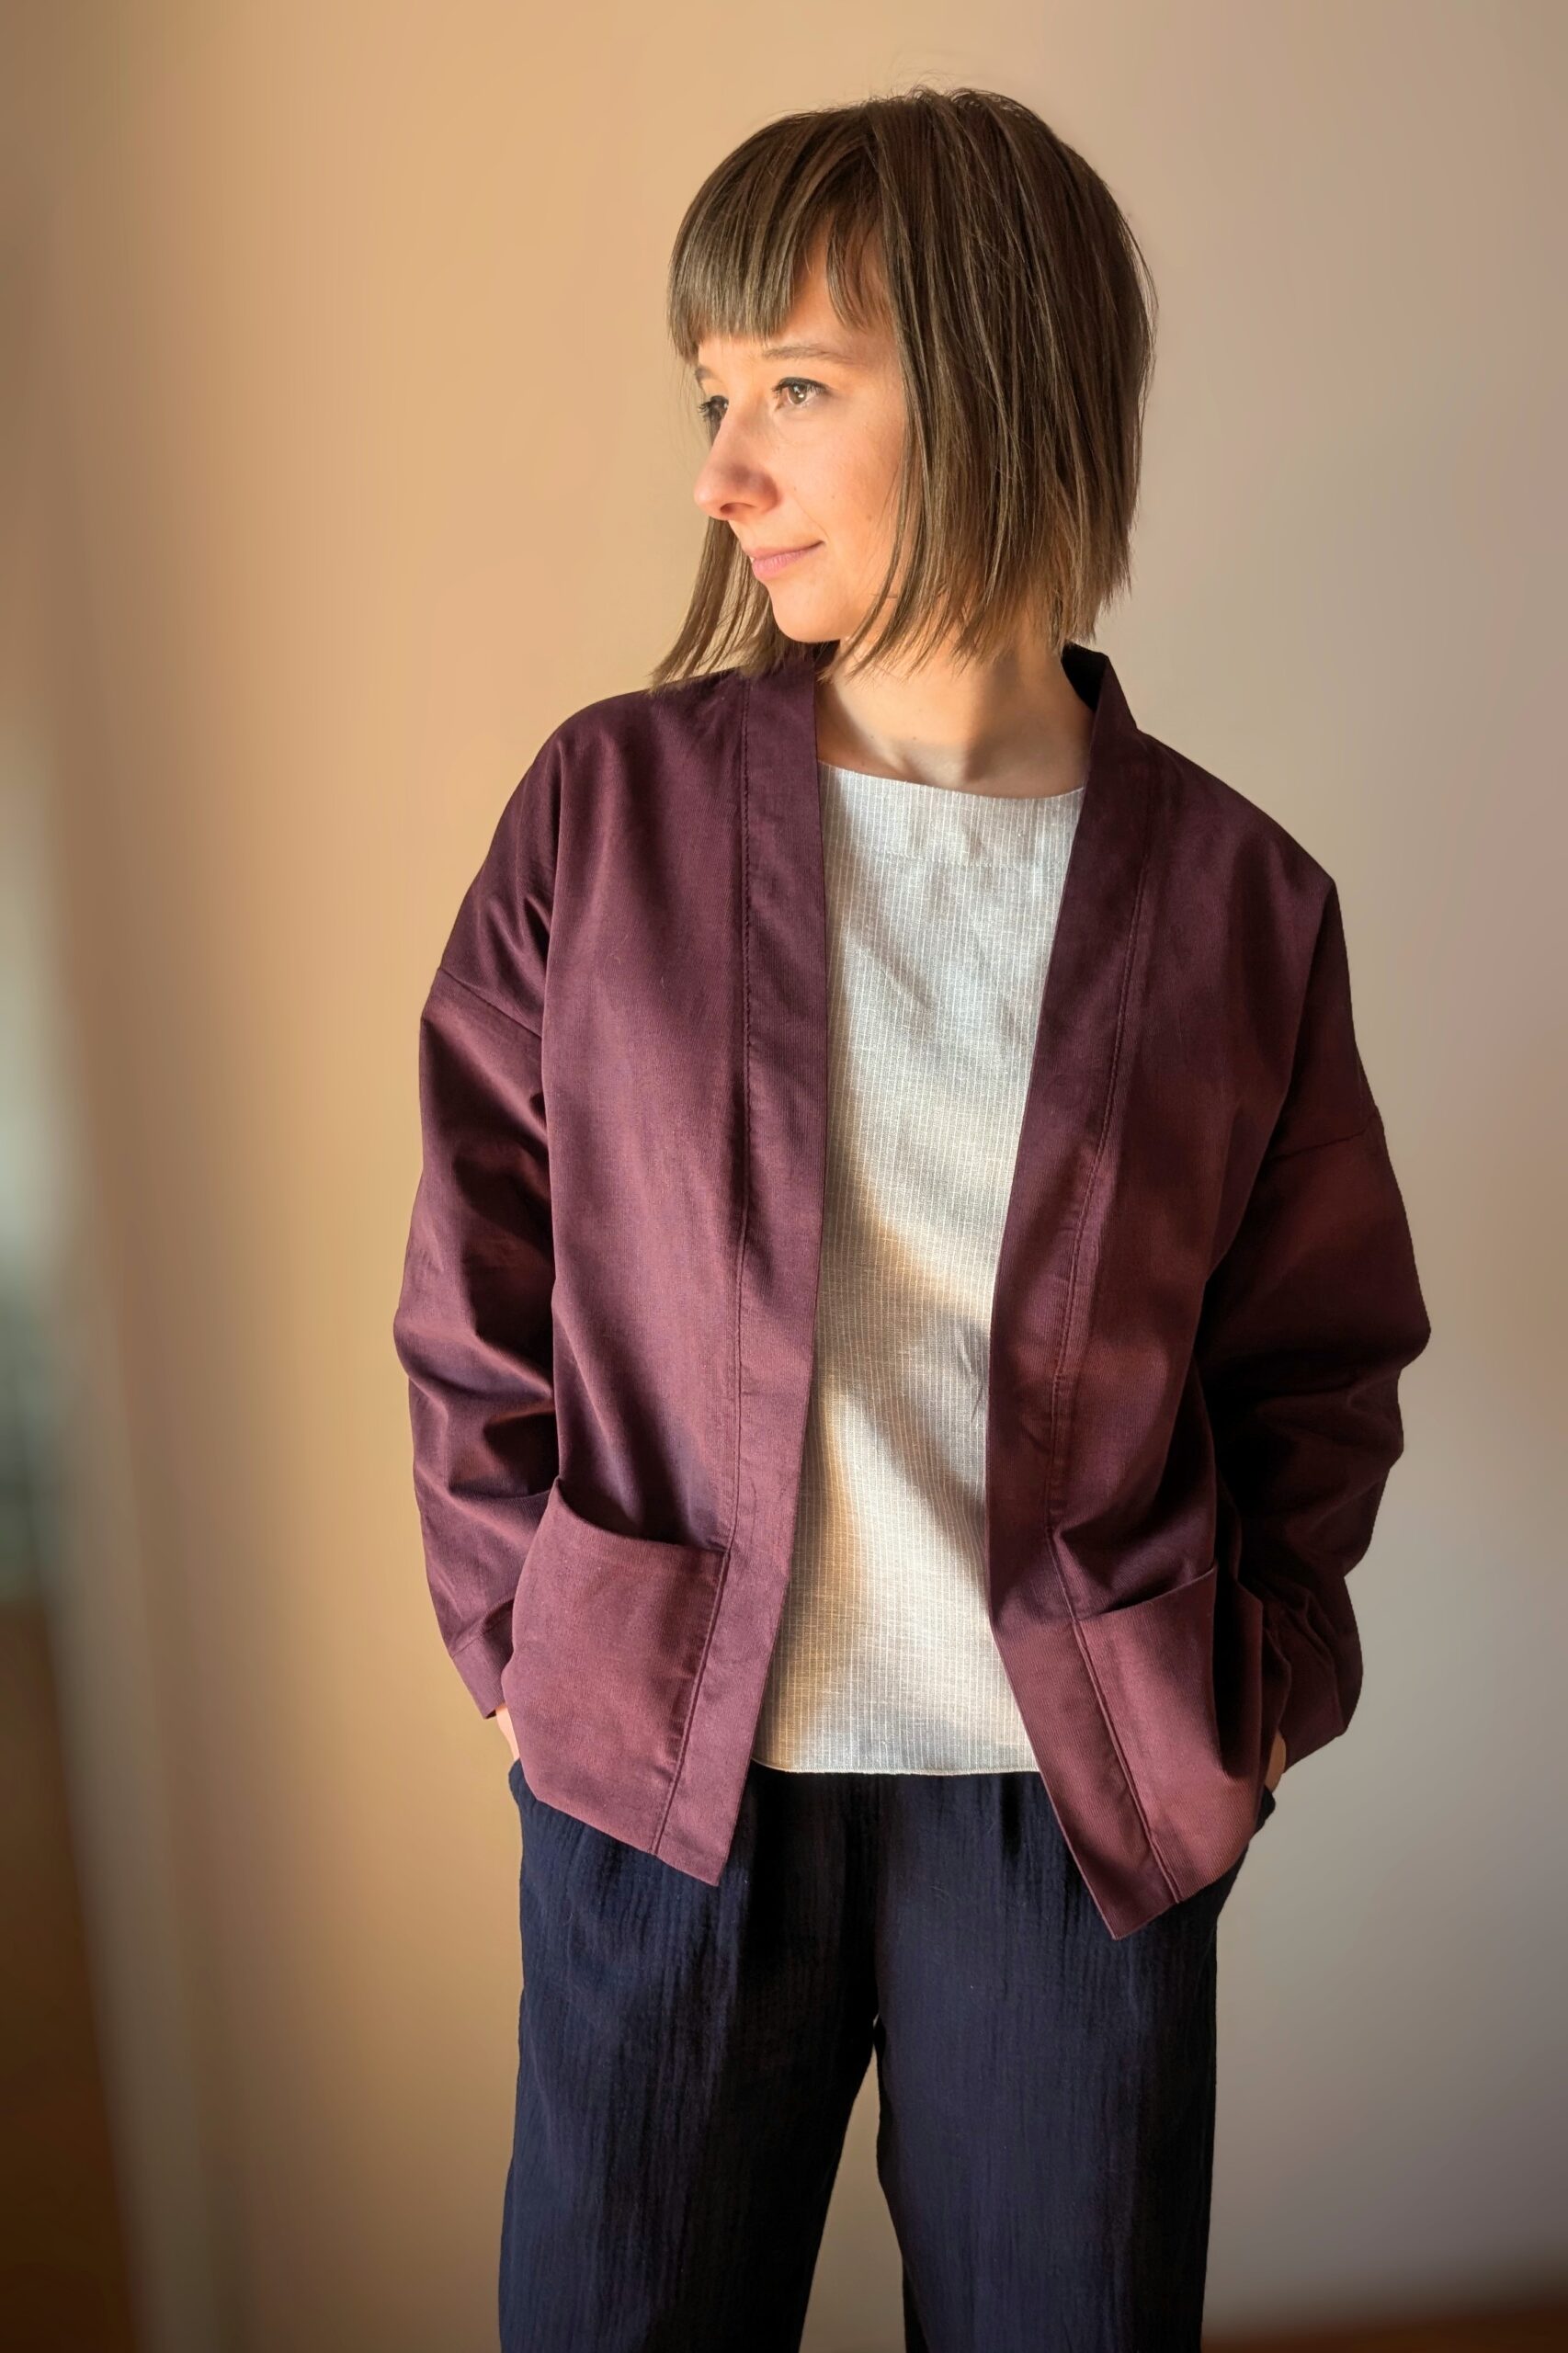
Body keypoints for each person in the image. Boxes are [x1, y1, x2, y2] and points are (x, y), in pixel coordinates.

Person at [392, 84, 1431, 2353]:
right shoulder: (607, 814)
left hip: (1073, 1811)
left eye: (790, 387)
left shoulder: (1238, 903)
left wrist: (1252, 1705)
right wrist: (520, 1639)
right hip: (667, 1779)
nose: (720, 470)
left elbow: (1316, 1363)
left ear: (986, 378)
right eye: (708, 395)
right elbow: (477, 1265)